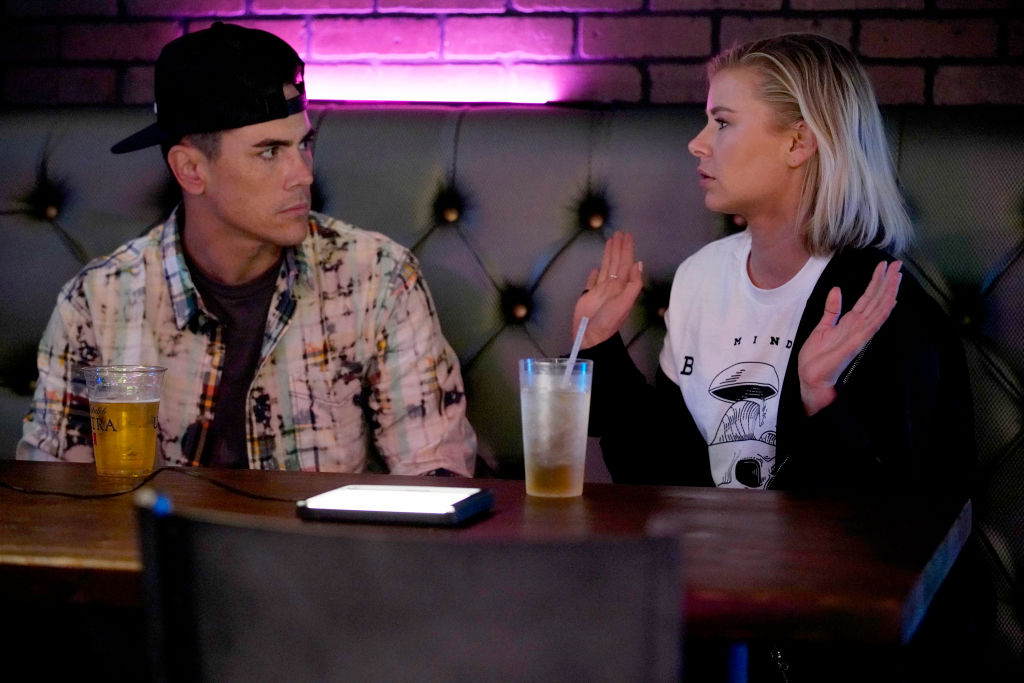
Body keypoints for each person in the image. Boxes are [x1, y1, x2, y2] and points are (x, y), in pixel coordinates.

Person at [573, 33, 984, 679]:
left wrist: (823, 404)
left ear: (799, 143)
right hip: (719, 622)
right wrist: (601, 350)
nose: (697, 143)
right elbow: (668, 478)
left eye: (722, 122)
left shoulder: (879, 303)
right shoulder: (702, 277)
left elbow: (900, 532)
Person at [18, 22, 477, 476]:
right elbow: (56, 495)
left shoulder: (378, 278)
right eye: (269, 152)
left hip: (325, 529)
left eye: (304, 144)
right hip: (156, 529)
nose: (303, 174)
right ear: (191, 170)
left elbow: (436, 479)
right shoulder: (98, 303)